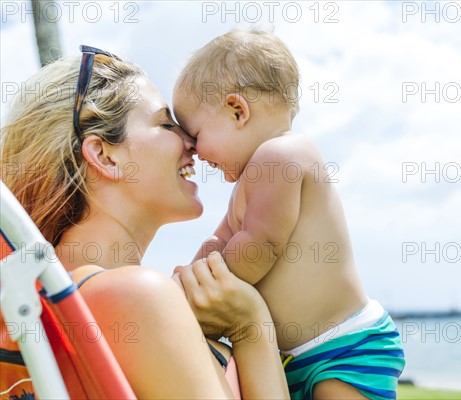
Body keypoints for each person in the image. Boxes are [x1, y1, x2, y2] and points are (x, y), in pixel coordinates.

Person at [0, 46, 288, 399]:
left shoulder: (37, 308)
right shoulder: (136, 297)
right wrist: (251, 328)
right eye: (165, 124)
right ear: (105, 156)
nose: (193, 143)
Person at [172, 29, 405, 400]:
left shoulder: (282, 156)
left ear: (237, 111)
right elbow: (220, 242)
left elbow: (259, 247)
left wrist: (207, 291)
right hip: (297, 355)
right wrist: (183, 284)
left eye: (196, 133)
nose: (194, 151)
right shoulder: (250, 181)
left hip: (343, 345)